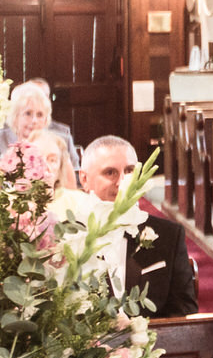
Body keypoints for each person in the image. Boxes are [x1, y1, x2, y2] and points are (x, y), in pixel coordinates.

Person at [81, 136, 197, 317]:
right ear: (84, 180)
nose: (121, 182)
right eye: (110, 172)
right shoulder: (69, 237)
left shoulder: (168, 235)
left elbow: (183, 312)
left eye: (129, 171)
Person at [0, 82, 79, 169]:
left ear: (46, 120)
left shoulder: (63, 141)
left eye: (40, 115)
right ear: (15, 117)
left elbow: (76, 180)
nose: (34, 121)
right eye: (28, 113)